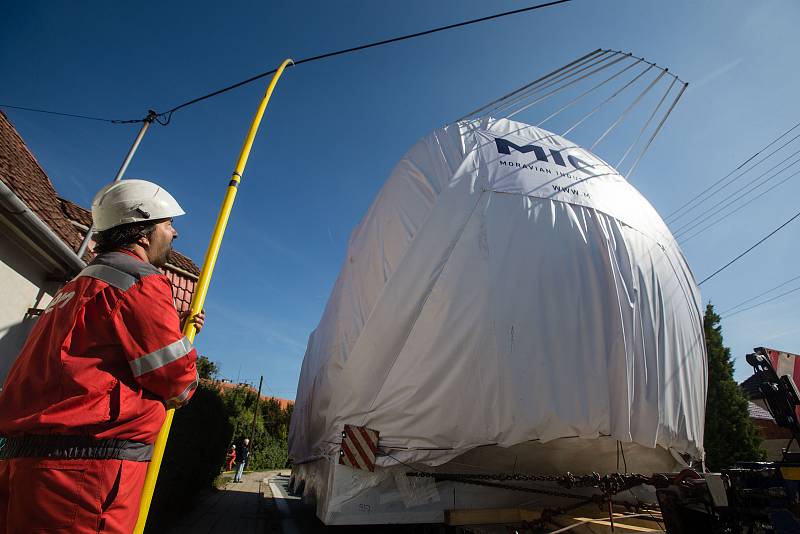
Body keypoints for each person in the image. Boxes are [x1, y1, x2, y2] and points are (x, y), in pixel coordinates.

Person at [0, 179, 204, 533]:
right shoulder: (142, 282)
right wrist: (183, 341)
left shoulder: (78, 285)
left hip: (24, 465)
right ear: (143, 233)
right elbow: (179, 384)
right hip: (83, 479)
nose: (174, 234)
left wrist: (175, 327)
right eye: (168, 224)